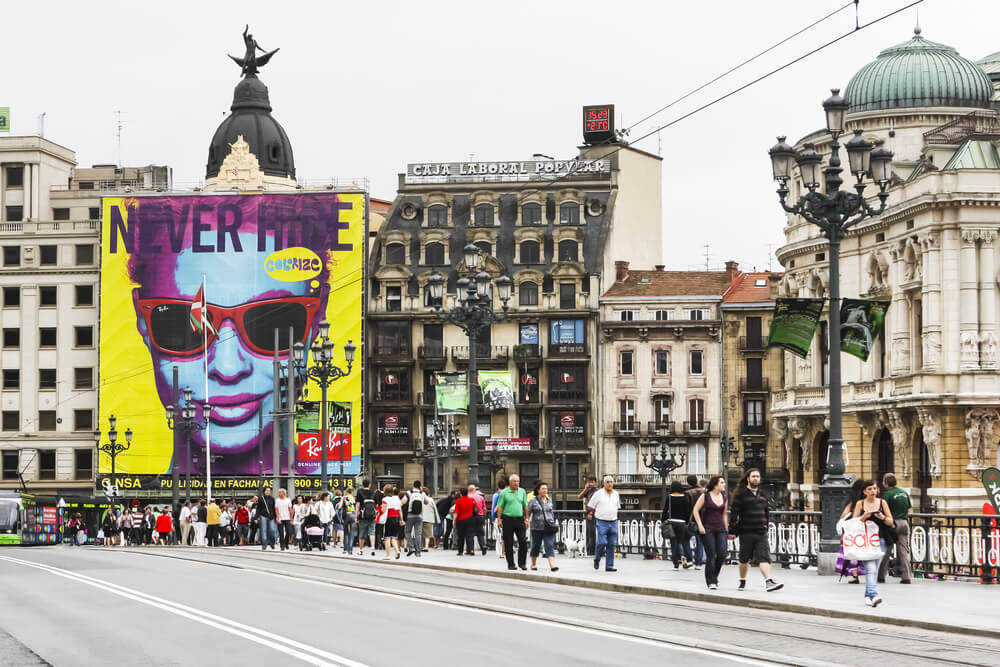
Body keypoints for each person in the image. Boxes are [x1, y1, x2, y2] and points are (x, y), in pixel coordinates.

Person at [121, 196, 348, 477]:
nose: (228, 369)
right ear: (143, 322)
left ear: (317, 318)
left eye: (271, 325)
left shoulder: (344, 472)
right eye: (184, 326)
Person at [729, 469, 782, 592]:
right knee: (744, 558)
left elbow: (766, 512)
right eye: (753, 476)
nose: (756, 478)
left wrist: (766, 526)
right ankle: (742, 580)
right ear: (748, 478)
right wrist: (732, 531)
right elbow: (734, 513)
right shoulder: (740, 494)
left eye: (758, 476)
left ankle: (768, 581)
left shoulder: (763, 494)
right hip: (746, 531)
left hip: (760, 532)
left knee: (764, 557)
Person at [852, 479, 895, 607]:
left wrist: (883, 518)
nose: (873, 491)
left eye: (875, 489)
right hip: (866, 540)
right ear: (864, 491)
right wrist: (863, 517)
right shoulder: (860, 504)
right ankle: (874, 594)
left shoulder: (883, 503)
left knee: (875, 569)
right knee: (871, 568)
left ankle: (867, 596)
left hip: (880, 539)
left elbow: (890, 522)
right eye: (870, 489)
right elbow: (854, 522)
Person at [693, 475, 729, 590]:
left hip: (721, 529)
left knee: (722, 554)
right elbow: (695, 510)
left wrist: (727, 529)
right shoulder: (706, 496)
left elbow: (724, 514)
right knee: (711, 555)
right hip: (708, 529)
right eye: (722, 483)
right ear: (715, 484)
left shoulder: (724, 497)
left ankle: (714, 576)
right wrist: (700, 525)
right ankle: (711, 581)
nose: (724, 484)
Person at [879, 473, 912, 584]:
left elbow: (883, 510)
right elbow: (908, 507)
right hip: (904, 523)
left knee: (886, 550)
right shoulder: (904, 493)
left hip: (891, 523)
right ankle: (906, 576)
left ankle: (881, 576)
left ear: (885, 483)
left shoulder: (887, 495)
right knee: (903, 551)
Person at [496, 475, 529, 571]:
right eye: (514, 481)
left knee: (523, 541)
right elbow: (500, 506)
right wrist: (499, 519)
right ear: (510, 482)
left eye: (518, 481)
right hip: (507, 519)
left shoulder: (522, 491)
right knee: (508, 542)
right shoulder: (504, 493)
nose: (516, 483)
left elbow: (525, 506)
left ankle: (522, 563)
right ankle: (511, 564)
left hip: (519, 519)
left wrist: (527, 519)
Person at [587, 475, 621, 572]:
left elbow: (617, 507)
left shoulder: (616, 494)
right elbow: (590, 505)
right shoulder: (598, 494)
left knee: (611, 544)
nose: (610, 484)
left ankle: (609, 566)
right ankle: (597, 559)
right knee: (602, 542)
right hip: (602, 521)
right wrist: (591, 513)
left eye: (611, 482)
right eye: (608, 482)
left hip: (613, 521)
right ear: (604, 483)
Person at [838, 480, 868, 584]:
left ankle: (855, 577)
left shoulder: (852, 500)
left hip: (853, 528)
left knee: (853, 551)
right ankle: (871, 573)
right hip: (865, 528)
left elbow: (844, 514)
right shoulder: (867, 500)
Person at [528, 482, 559, 572]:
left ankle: (552, 565)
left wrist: (553, 523)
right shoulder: (533, 501)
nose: (545, 490)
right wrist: (525, 520)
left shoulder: (549, 500)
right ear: (538, 490)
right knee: (535, 546)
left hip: (548, 527)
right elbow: (528, 513)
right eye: (543, 488)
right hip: (536, 527)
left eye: (546, 488)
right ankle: (533, 564)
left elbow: (551, 512)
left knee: (549, 545)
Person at [663, 480, 693, 569]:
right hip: (682, 522)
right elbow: (687, 511)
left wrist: (663, 521)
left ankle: (676, 563)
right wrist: (687, 521)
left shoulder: (669, 497)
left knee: (674, 543)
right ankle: (686, 557)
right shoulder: (684, 497)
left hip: (672, 522)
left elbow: (665, 511)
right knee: (682, 541)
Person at [685, 475, 706, 569]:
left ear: (688, 482)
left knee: (685, 540)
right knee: (700, 542)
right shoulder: (703, 491)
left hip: (691, 519)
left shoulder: (687, 493)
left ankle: (689, 560)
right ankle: (698, 563)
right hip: (703, 518)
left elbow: (687, 507)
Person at [404, 481, 428, 557]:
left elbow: (403, 501)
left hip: (410, 516)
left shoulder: (408, 493)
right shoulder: (422, 493)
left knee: (407, 532)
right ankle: (418, 552)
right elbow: (426, 502)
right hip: (419, 516)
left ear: (413, 485)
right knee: (418, 534)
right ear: (420, 486)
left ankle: (411, 548)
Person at [577, 476, 599, 556]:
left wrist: (591, 513)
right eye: (589, 482)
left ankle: (591, 551)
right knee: (588, 532)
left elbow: (596, 503)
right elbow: (579, 497)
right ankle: (588, 549)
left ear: (595, 482)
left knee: (592, 532)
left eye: (592, 482)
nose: (590, 483)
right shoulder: (589, 491)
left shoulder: (597, 491)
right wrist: (585, 489)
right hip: (588, 513)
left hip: (593, 514)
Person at [453, 487, 477, 556]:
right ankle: (471, 550)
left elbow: (456, 512)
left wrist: (454, 521)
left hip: (461, 520)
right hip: (470, 519)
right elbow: (475, 510)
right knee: (470, 535)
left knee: (461, 536)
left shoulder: (458, 501)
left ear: (461, 494)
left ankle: (460, 551)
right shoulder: (472, 500)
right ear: (467, 493)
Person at [381, 484, 403, 559]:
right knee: (393, 537)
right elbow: (400, 510)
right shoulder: (397, 499)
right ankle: (397, 550)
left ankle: (388, 555)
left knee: (387, 538)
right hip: (396, 518)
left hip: (389, 519)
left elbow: (383, 510)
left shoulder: (385, 499)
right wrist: (401, 520)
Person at [356, 481, 377, 555]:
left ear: (362, 485)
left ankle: (361, 550)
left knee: (362, 533)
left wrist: (356, 516)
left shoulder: (360, 491)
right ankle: (372, 548)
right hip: (372, 516)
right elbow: (376, 504)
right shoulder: (373, 492)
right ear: (369, 484)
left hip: (363, 516)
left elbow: (358, 504)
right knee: (372, 532)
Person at [492, 478, 508, 559]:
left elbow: (494, 507)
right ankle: (506, 550)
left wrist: (493, 517)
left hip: (499, 517)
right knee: (506, 535)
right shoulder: (507, 493)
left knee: (499, 535)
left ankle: (500, 551)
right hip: (507, 516)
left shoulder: (496, 495)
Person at [420, 486, 439, 552]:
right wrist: (438, 519)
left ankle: (421, 546)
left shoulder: (420, 499)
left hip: (420, 518)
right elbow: (435, 510)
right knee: (427, 534)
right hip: (429, 518)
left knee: (421, 533)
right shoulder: (431, 500)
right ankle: (426, 546)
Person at [341, 488, 357, 555]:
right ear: (352, 492)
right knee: (352, 533)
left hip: (346, 515)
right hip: (353, 515)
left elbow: (339, 506)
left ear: (346, 491)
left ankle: (345, 549)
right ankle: (350, 550)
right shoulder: (354, 498)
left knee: (346, 532)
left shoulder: (345, 497)